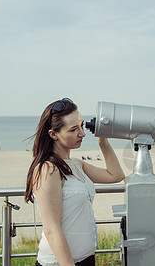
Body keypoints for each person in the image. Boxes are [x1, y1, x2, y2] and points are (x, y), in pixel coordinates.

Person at [24, 98, 125, 266]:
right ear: (53, 134)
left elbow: (115, 175)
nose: (82, 133)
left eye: (82, 126)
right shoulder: (48, 170)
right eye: (73, 129)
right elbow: (52, 230)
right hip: (60, 263)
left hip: (86, 258)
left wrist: (103, 143)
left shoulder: (77, 164)